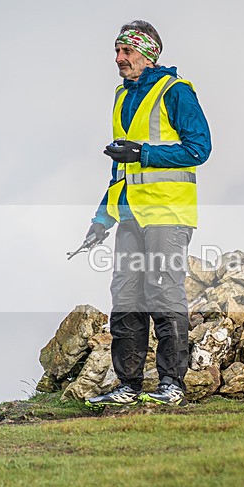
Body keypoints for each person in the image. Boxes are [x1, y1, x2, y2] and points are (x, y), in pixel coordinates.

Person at [85, 20, 211, 407]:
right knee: (125, 297)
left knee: (162, 293)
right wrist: (101, 218)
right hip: (129, 217)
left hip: (168, 214)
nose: (119, 59)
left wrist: (144, 153)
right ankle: (128, 387)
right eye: (117, 51)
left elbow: (199, 149)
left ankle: (172, 384)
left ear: (148, 53)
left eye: (127, 52)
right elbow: (121, 169)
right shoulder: (121, 98)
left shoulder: (176, 92)